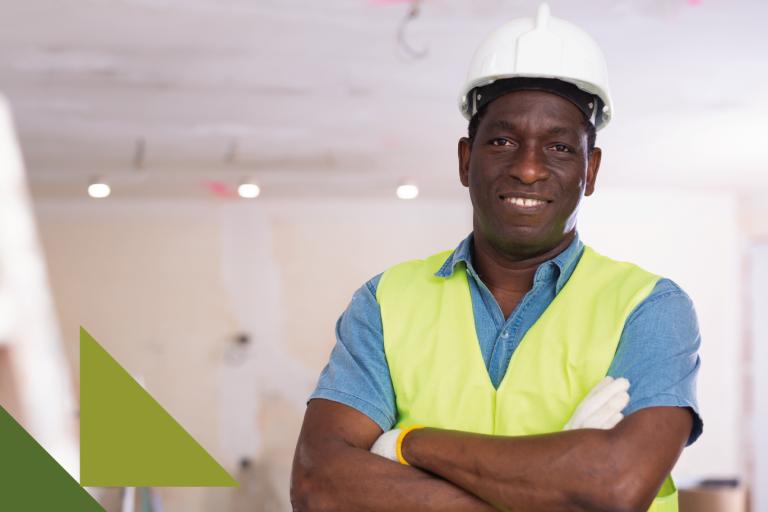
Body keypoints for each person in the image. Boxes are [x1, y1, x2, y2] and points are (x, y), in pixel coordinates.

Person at [290, 4, 702, 511]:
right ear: (467, 160)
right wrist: (556, 487)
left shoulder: (650, 308)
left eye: (559, 147)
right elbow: (319, 483)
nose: (528, 169)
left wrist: (406, 443)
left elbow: (616, 485)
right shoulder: (384, 302)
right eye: (503, 141)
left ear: (590, 171)